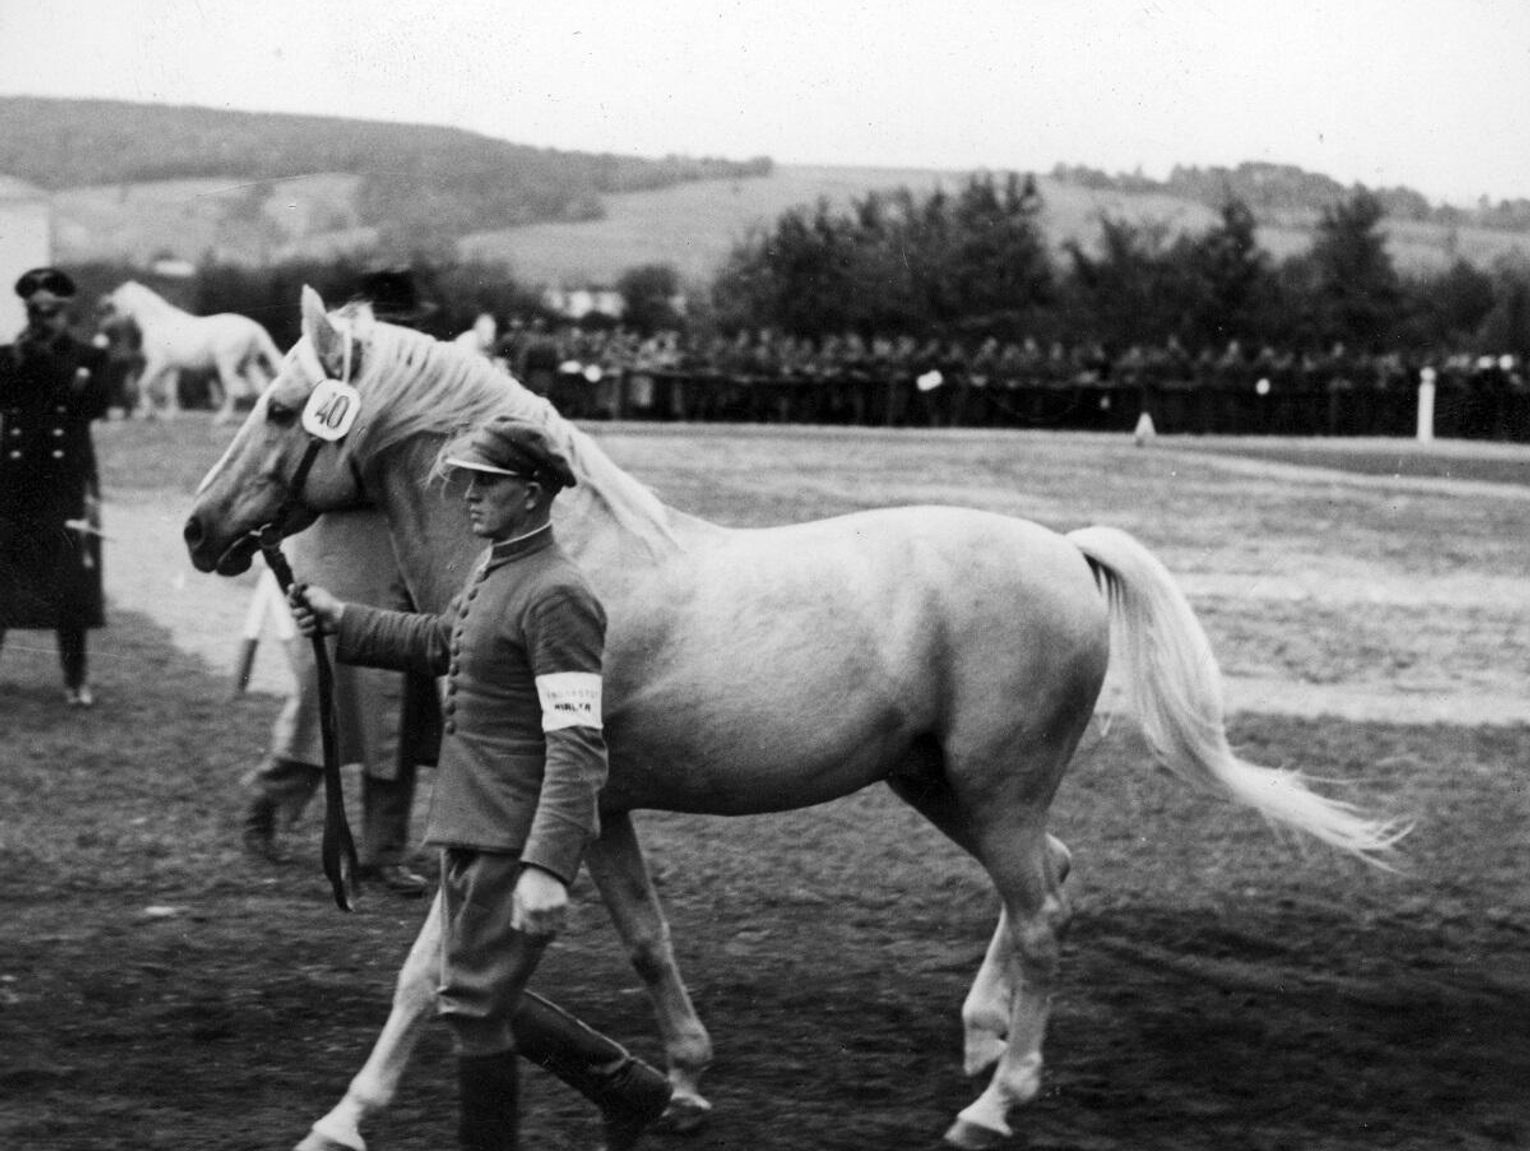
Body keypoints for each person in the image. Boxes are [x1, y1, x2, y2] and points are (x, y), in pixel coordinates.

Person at [289, 415, 671, 1151]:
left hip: (512, 830)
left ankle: (616, 1090)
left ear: (531, 494)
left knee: (475, 1007)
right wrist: (343, 619)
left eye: (485, 483)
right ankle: (630, 1086)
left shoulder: (557, 594)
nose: (466, 494)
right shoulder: (496, 568)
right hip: (470, 823)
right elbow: (445, 642)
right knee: (472, 991)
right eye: (465, 480)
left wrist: (546, 867)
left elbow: (577, 741)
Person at [241, 266, 442, 895]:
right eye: (396, 323)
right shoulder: (333, 384)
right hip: (344, 554)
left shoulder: (419, 378)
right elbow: (323, 469)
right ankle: (269, 805)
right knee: (331, 704)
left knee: (401, 715)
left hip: (405, 556)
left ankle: (384, 851)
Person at [0, 267, 114, 705]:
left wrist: (50, 362)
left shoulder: (90, 358)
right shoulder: (10, 354)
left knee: (72, 583)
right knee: (4, 576)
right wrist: (22, 359)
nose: (41, 318)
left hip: (67, 481)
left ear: (68, 313)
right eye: (34, 310)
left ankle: (75, 679)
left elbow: (97, 404)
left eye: (50, 311)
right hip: (14, 482)